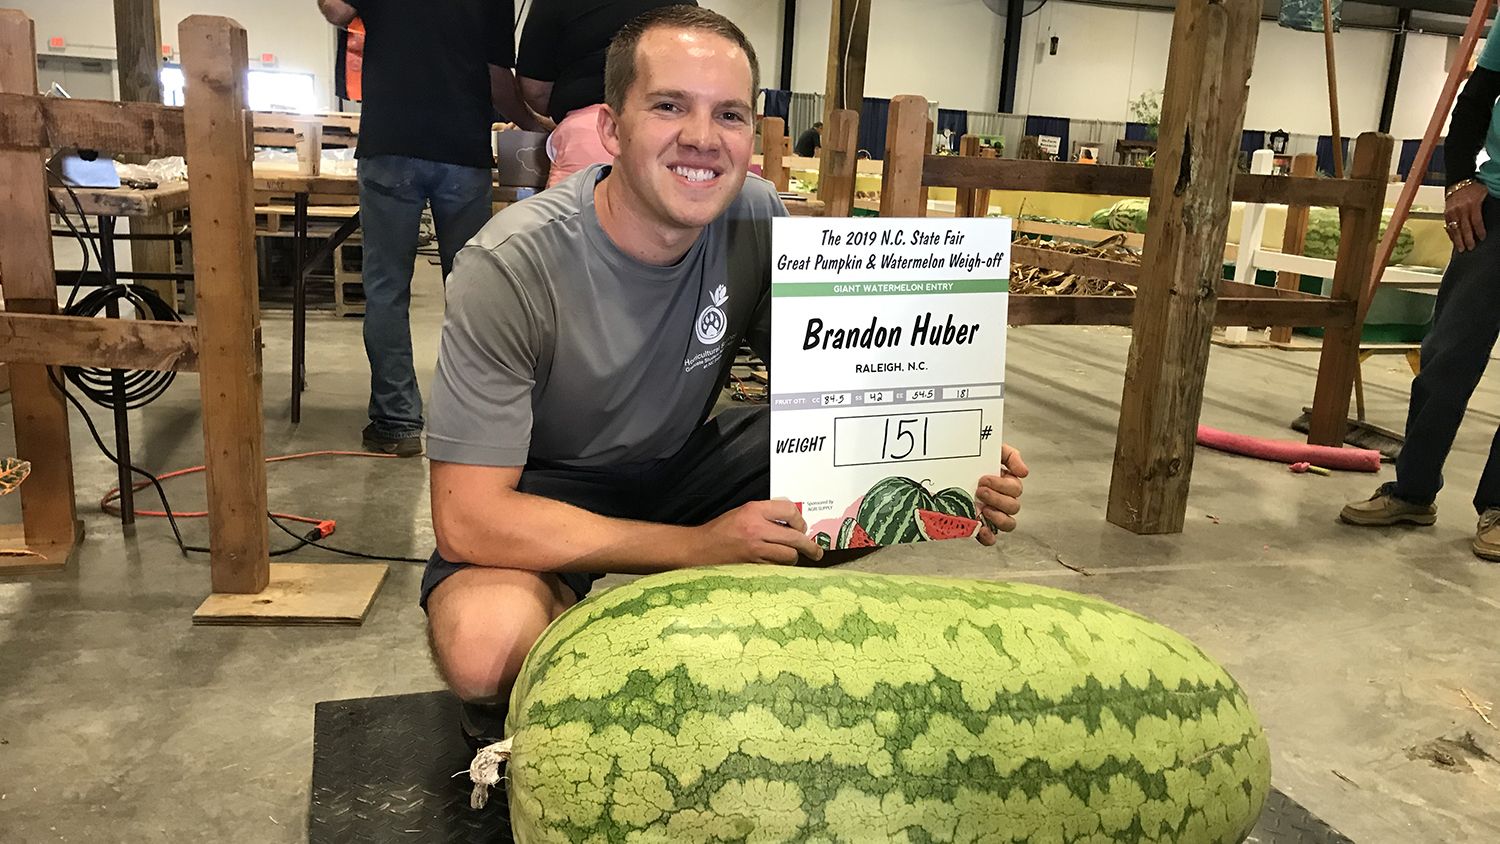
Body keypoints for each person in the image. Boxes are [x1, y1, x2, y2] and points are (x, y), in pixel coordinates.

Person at [418, 6, 1030, 743]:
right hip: (545, 484)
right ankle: (638, 648)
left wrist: (952, 453)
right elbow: (470, 516)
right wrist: (698, 547)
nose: (703, 139)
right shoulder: (510, 265)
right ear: (612, 129)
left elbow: (832, 381)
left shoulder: (755, 213)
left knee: (870, 481)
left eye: (730, 114)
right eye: (670, 105)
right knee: (485, 652)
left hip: (686, 458)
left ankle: (689, 639)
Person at [317, 0, 546, 457]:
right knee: (469, 289)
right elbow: (498, 81)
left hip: (391, 143)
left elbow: (337, 10)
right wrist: (536, 124)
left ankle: (396, 422)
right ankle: (470, 420)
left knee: (387, 288)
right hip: (462, 149)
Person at [1340, 34, 1500, 562]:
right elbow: (1477, 98)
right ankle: (1411, 491)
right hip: (1495, 209)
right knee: (1448, 355)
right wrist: (1458, 180)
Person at [516, 0, 698, 189]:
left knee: (579, 214)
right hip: (669, 126)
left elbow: (534, 89)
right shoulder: (683, 5)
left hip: (587, 134)